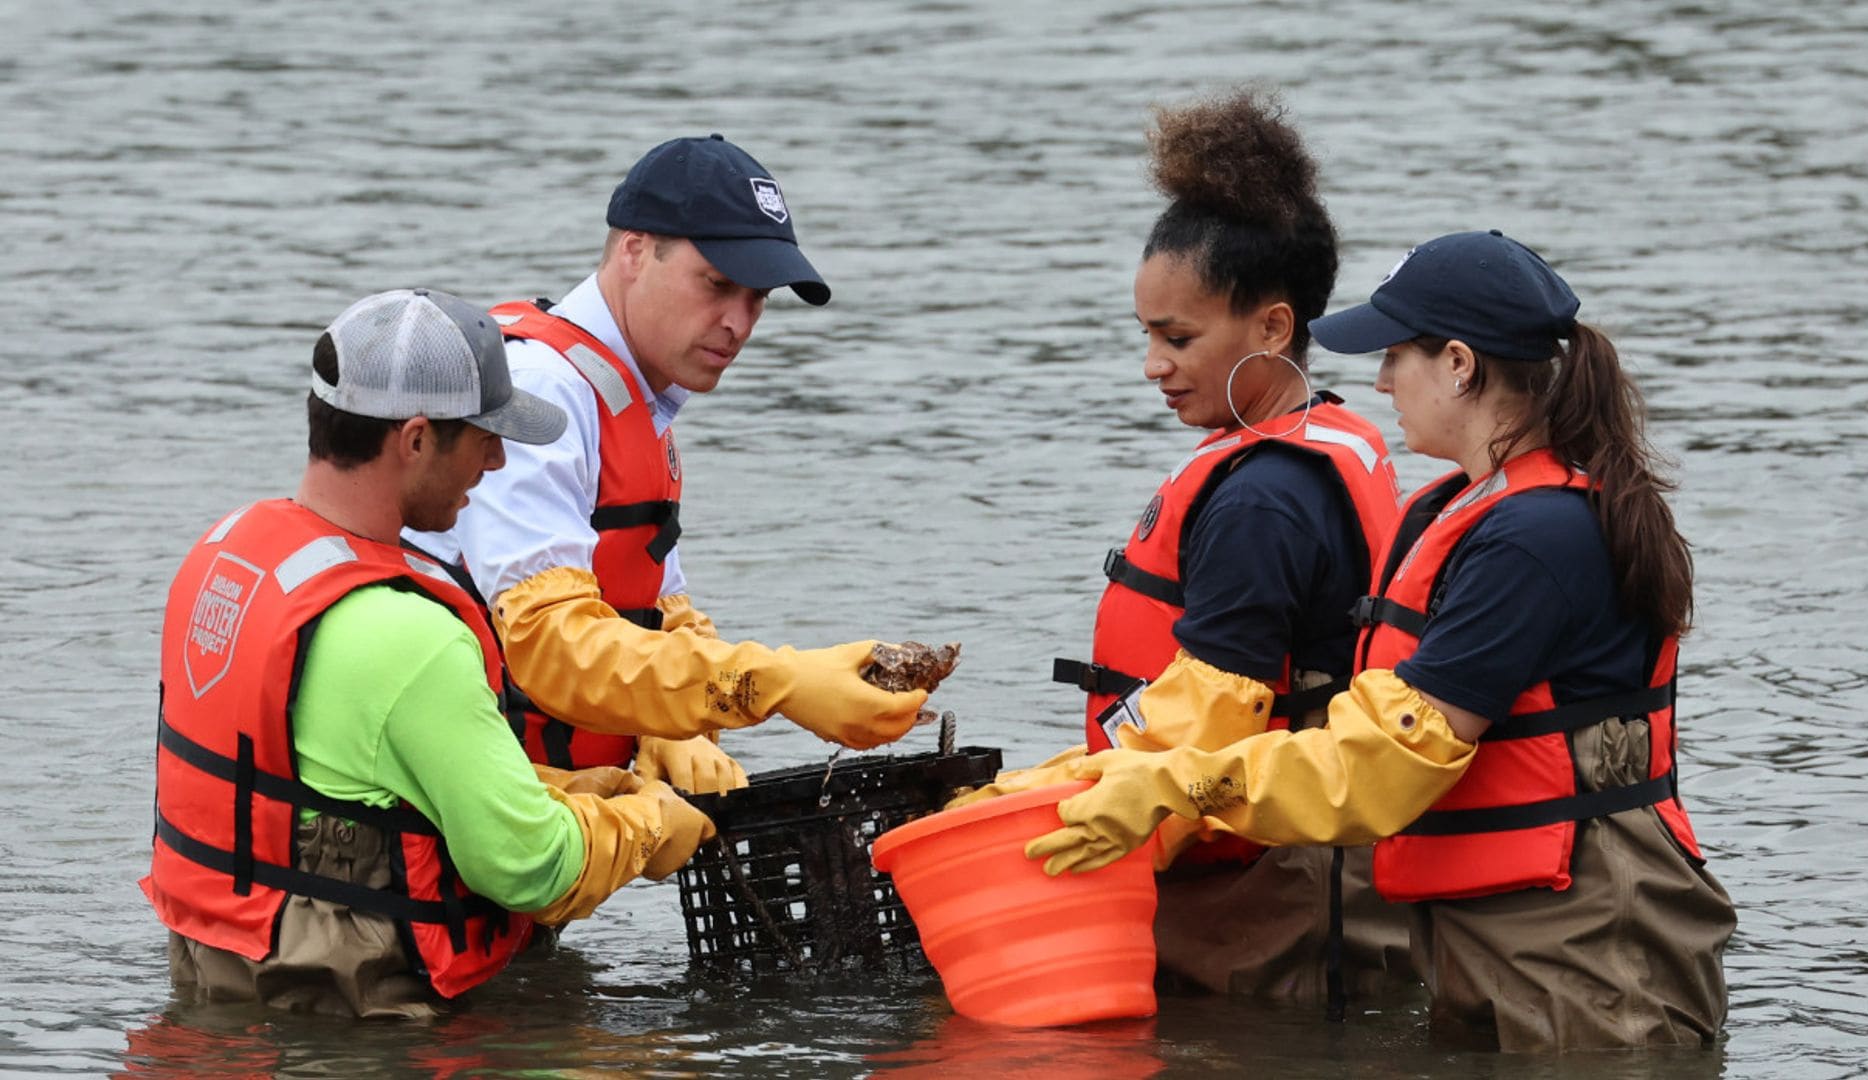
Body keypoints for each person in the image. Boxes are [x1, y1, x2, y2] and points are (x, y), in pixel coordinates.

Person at [1025, 230, 1737, 1051]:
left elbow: (1385, 765)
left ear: (1461, 366)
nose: (1381, 380)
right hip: (1509, 936)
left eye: (1399, 356)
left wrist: (1179, 782)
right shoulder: (1476, 507)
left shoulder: (1535, 539)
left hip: (1590, 954)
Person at [144, 289, 716, 1019]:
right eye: (484, 434)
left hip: (220, 980)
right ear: (414, 440)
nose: (499, 457)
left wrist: (568, 790)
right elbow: (531, 867)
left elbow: (339, 781)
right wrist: (649, 826)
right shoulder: (409, 634)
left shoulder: (226, 557)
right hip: (358, 1025)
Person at [957, 90, 1405, 1010]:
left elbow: (1211, 716)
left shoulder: (1265, 501)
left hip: (1267, 896)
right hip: (1301, 872)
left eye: (1179, 338)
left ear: (1274, 328)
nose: (1153, 363)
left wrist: (1045, 813)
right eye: (1147, 337)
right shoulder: (1320, 446)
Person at [404, 134, 927, 789]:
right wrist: (777, 682)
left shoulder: (637, 400)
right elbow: (545, 644)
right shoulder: (544, 392)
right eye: (719, 284)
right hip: (458, 807)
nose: (740, 322)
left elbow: (660, 613)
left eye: (760, 297)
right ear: (634, 251)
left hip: (535, 803)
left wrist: (674, 724)